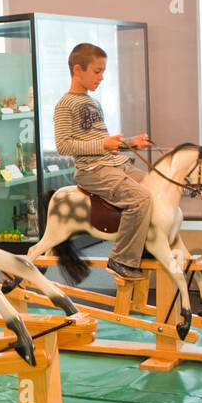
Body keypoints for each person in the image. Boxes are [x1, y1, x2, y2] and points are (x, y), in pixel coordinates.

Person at [54, 43, 153, 280]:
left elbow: (103, 140)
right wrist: (103, 145)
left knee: (155, 187)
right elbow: (63, 146)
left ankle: (145, 247)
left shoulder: (93, 102)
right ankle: (121, 260)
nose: (101, 77)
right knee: (141, 198)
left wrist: (131, 142)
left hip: (115, 164)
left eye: (102, 71)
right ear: (78, 69)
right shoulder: (64, 105)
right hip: (93, 170)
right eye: (97, 71)